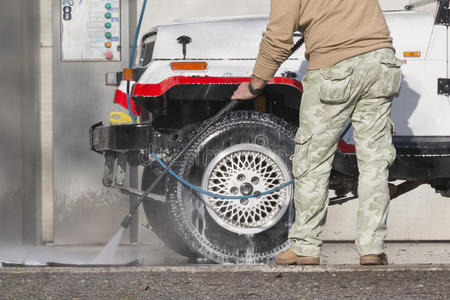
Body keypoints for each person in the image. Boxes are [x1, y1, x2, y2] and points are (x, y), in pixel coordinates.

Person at [232, 0, 403, 265]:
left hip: (334, 69)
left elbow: (278, 40)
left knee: (313, 161)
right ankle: (372, 247)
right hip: (381, 64)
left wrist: (255, 85)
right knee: (374, 161)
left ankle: (305, 247)